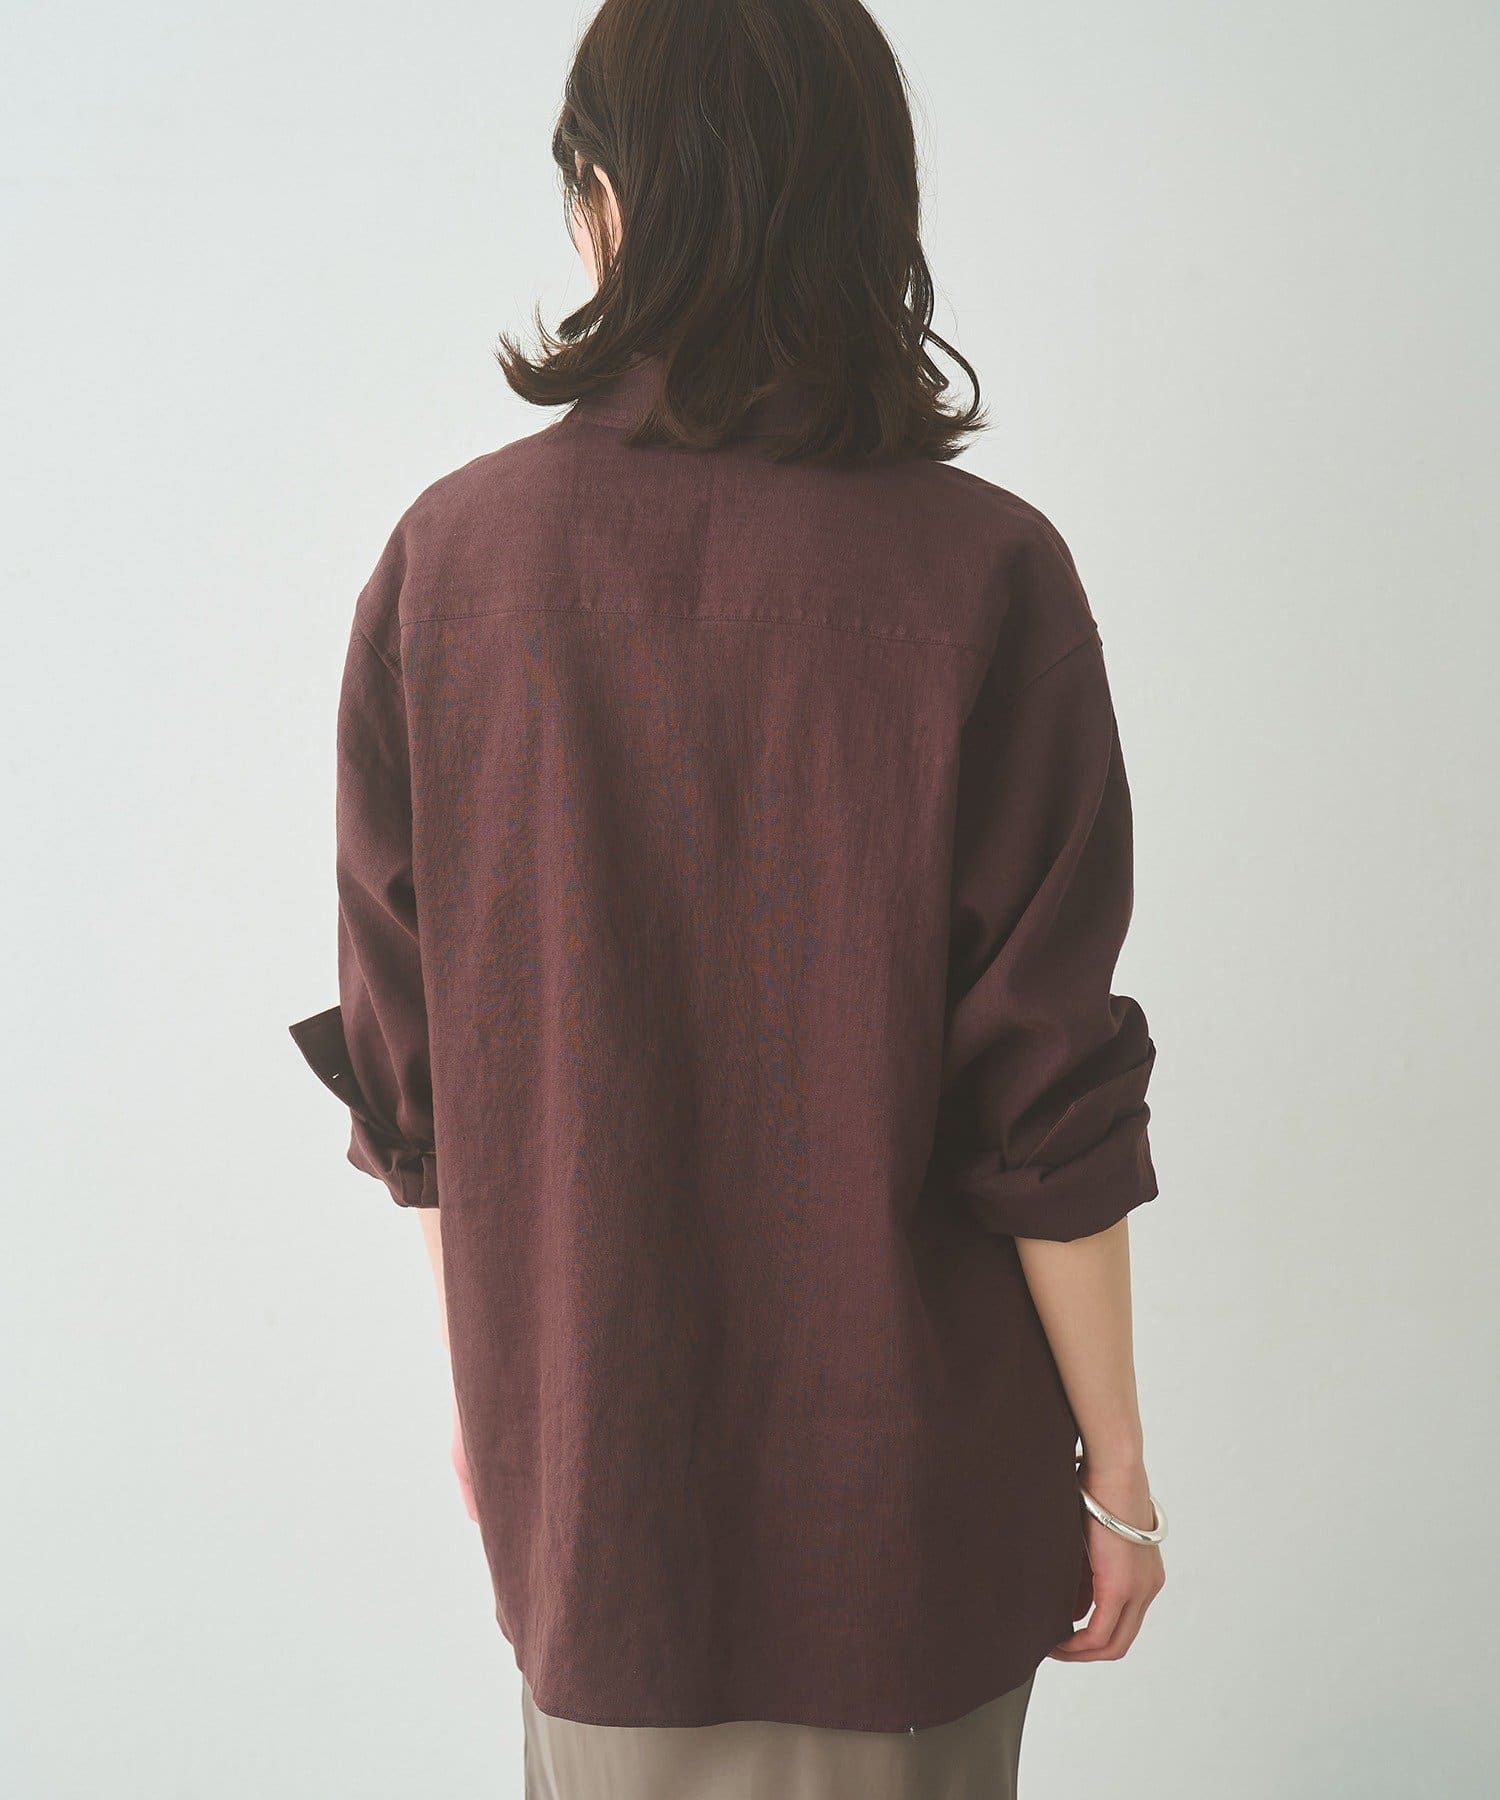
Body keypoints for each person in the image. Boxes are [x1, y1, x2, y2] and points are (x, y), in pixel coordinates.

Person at [289, 0, 1167, 1792]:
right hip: (910, 1530)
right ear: (868, 202)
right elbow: (1047, 1094)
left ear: (609, 201)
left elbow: (421, 1079)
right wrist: (1121, 1472)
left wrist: (501, 1399)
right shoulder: (985, 575)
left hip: (600, 1512)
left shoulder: (448, 567)